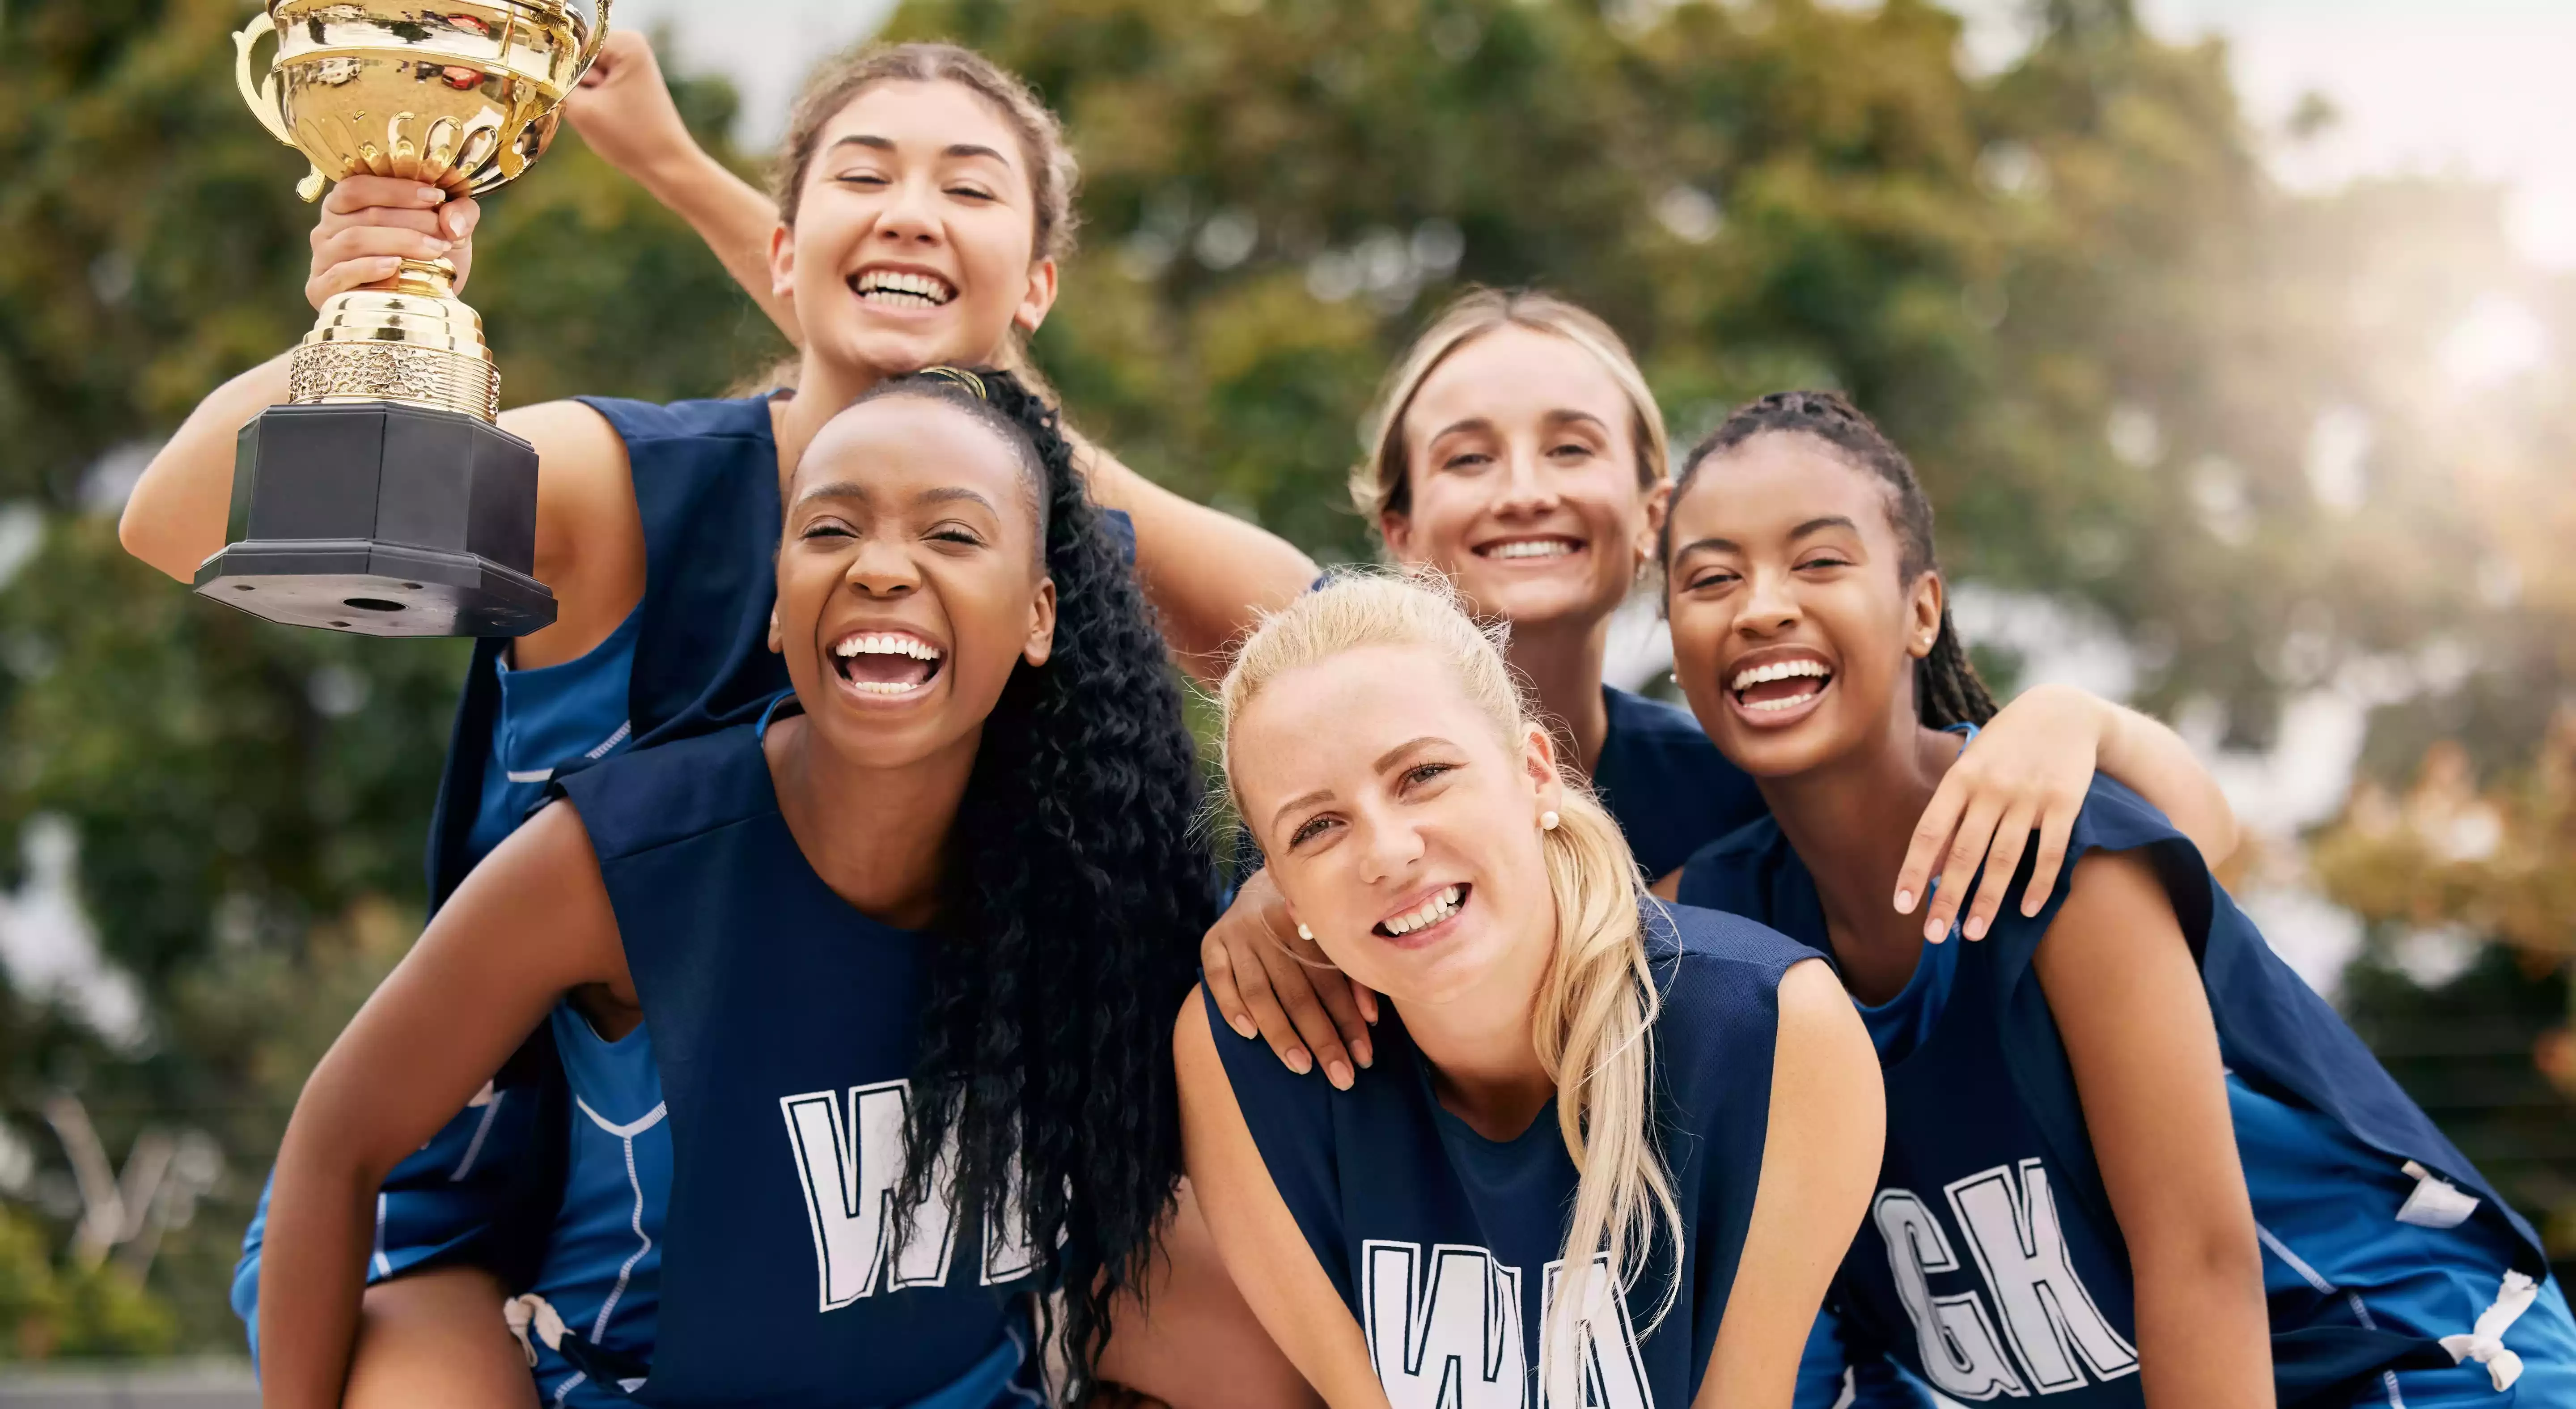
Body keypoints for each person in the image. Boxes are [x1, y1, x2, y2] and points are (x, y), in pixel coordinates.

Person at [117, 37, 1315, 1401]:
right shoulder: (620, 489)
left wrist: (1279, 883)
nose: (912, 207)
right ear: (784, 254)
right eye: (865, 174)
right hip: (506, 1165)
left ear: (1039, 285)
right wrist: (361, 316)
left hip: (833, 1183)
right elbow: (173, 520)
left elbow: (1318, 637)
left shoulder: (1058, 567)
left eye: (968, 190)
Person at [260, 368, 1278, 1407]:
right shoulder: (616, 858)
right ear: (782, 609)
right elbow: (339, 1142)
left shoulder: (1100, 880)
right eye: (831, 531)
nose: (884, 568)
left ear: (1038, 616)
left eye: (954, 536)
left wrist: (1272, 905)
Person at [1657, 390, 2576, 1407]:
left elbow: (2201, 1264)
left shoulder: (2063, 860)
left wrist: (2084, 717)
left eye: (1820, 561)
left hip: (2404, 1359)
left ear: (1923, 610)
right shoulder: (1709, 930)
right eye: (1711, 578)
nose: (1762, 605)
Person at [1195, 289, 2241, 1098]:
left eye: (1571, 446)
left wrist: (2074, 717)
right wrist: (1261, 912)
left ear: (1654, 517)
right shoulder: (1317, 785)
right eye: (1470, 458)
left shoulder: (1743, 788)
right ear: (1401, 535)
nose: (1525, 488)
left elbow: (2199, 845)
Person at [1176, 572, 1884, 1406]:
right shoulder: (1248, 1059)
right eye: (1318, 826)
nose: (1387, 851)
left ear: (1536, 772)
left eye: (1424, 774)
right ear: (1287, 893)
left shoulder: (1770, 1028)